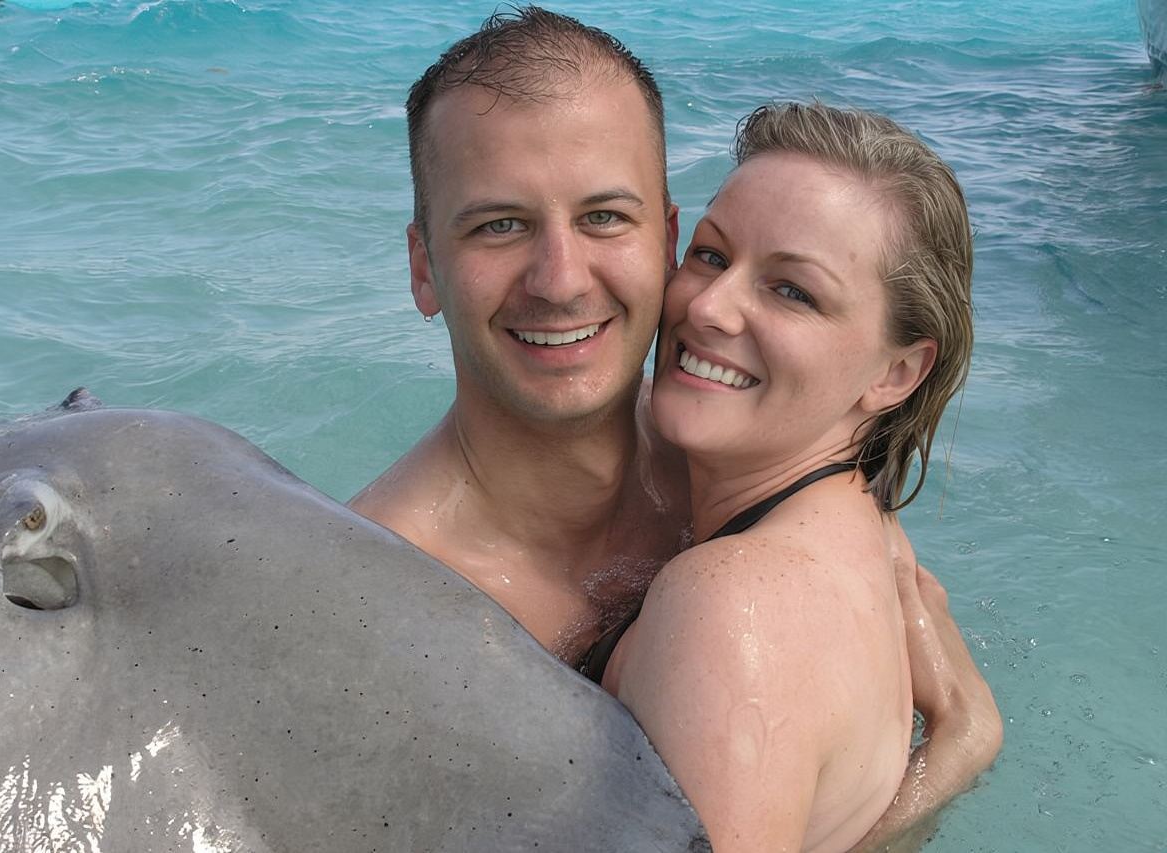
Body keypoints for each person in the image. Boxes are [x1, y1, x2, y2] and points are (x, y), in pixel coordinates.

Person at [349, 7, 1001, 849]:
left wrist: (962, 740)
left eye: (604, 217)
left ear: (661, 239)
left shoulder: (742, 468)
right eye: (499, 224)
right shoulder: (386, 605)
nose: (560, 280)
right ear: (422, 267)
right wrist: (960, 747)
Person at [596, 102, 984, 852]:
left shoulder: (733, 604)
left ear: (898, 371)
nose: (707, 307)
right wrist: (963, 738)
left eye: (793, 291)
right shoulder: (864, 514)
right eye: (710, 254)